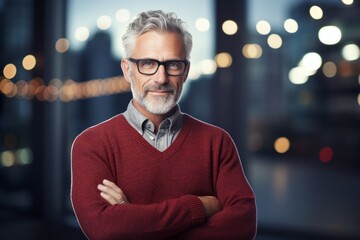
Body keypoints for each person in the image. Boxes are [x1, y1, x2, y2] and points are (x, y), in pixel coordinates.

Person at [71, 10, 257, 240]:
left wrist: (134, 222)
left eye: (173, 65)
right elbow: (104, 230)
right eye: (148, 63)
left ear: (186, 71)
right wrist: (198, 207)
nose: (161, 78)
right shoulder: (92, 144)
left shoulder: (217, 142)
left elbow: (243, 225)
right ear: (127, 70)